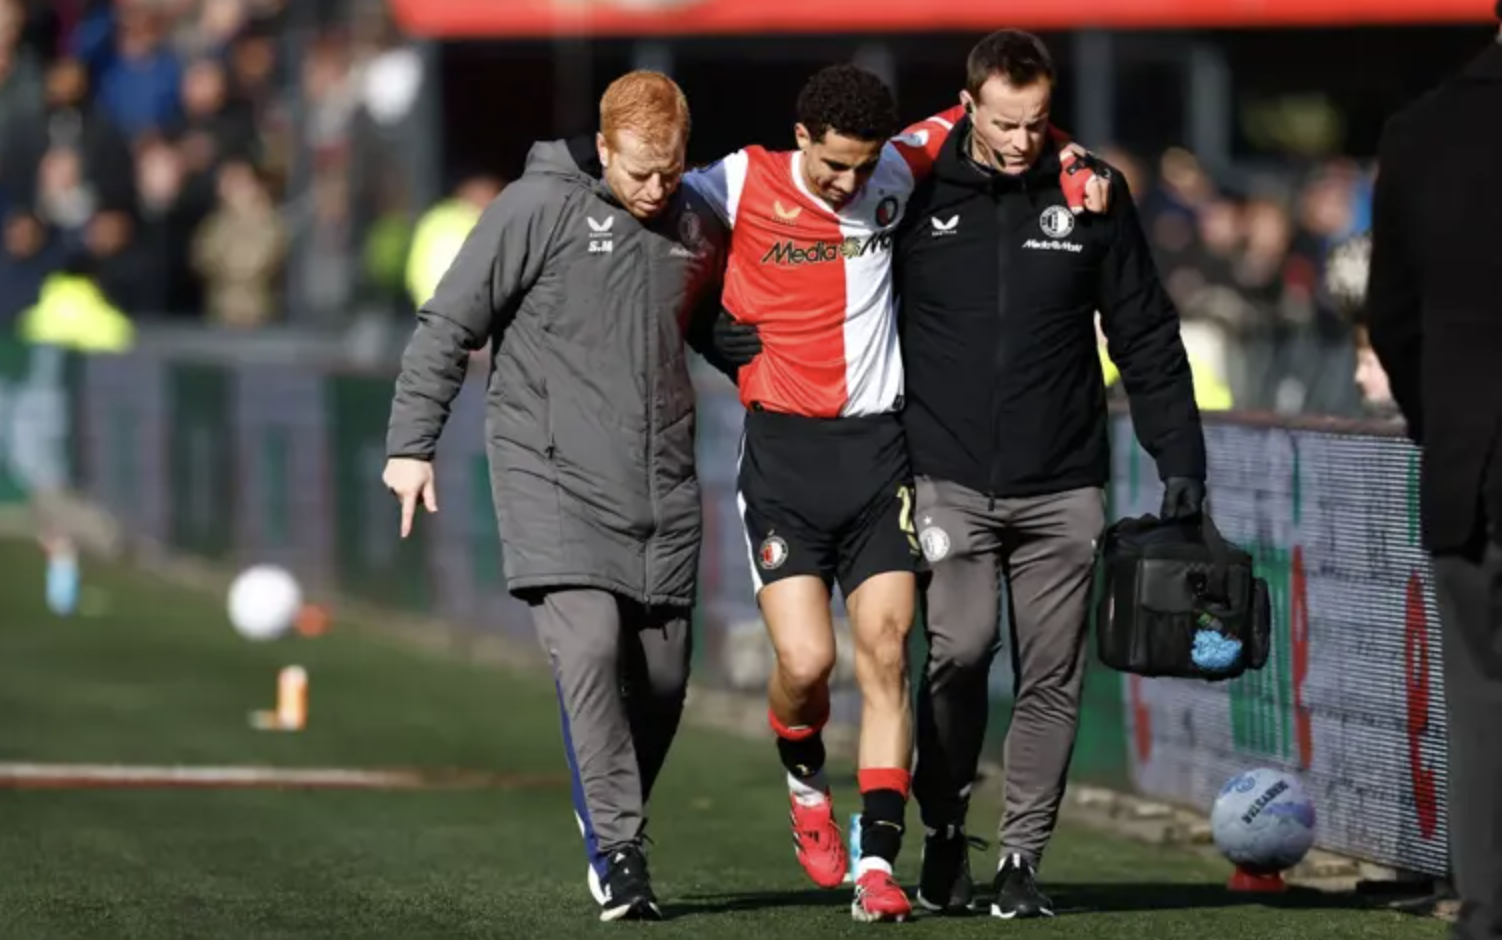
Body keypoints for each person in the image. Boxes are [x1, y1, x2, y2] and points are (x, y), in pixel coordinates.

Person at [689, 63, 1110, 922]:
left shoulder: (900, 162)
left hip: (880, 455)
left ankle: (878, 863)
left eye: (862, 167)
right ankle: (805, 781)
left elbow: (994, 116)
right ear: (800, 138)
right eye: (832, 166)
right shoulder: (738, 179)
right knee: (808, 664)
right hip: (783, 460)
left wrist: (1078, 160)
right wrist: (702, 327)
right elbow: (648, 197)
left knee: (886, 652)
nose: (849, 184)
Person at [382, 71, 758, 923]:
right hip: (548, 472)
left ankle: (608, 806)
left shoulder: (697, 225)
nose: (656, 189)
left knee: (664, 681)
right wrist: (410, 445)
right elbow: (449, 321)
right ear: (604, 146)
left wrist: (798, 370)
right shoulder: (536, 207)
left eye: (671, 172)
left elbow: (710, 327)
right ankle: (620, 853)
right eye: (639, 173)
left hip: (659, 483)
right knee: (587, 646)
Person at [892, 29, 1206, 919]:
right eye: (1003, 122)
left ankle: (1022, 858)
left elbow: (1144, 332)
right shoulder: (913, 186)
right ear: (968, 106)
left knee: (1052, 675)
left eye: (1035, 121)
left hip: (1064, 481)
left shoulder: (1093, 192)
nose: (1021, 139)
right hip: (947, 472)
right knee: (959, 652)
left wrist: (1180, 457)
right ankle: (944, 829)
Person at [1365, 15, 1502, 940]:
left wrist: (1441, 421)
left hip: (1467, 463)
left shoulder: (1421, 131)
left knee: (1481, 707)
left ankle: (1488, 909)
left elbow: (1392, 315)